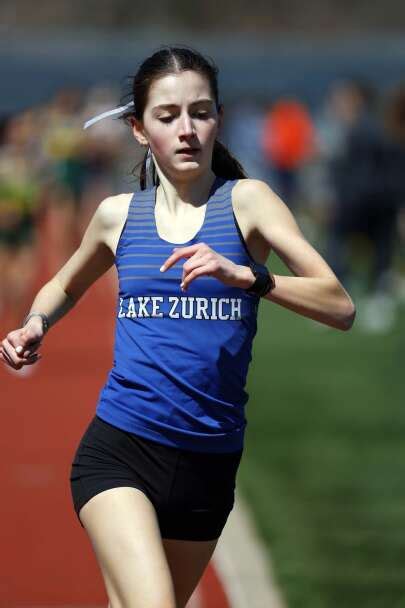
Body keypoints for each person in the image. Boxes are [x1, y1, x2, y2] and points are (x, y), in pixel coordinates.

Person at [0, 46, 356, 608]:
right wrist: (35, 323)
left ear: (219, 118)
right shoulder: (118, 215)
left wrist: (251, 277)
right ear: (140, 130)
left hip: (208, 463)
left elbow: (340, 306)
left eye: (202, 112)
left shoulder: (249, 203)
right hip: (121, 449)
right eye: (167, 117)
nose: (187, 130)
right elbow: (65, 284)